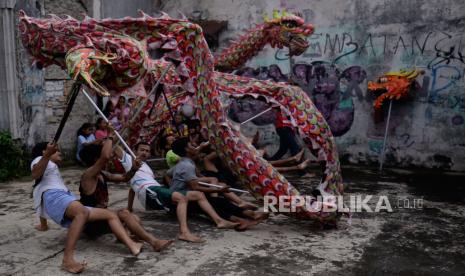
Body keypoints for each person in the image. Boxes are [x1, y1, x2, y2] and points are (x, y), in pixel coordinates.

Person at [31, 142, 144, 273]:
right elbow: (35, 174)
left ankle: (132, 243)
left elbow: (37, 190)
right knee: (82, 212)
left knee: (112, 214)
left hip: (62, 196)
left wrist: (43, 225)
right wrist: (46, 155)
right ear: (44, 152)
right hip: (56, 195)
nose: (59, 152)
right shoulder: (39, 160)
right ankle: (67, 260)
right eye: (55, 151)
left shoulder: (50, 169)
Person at [116, 142, 239, 242]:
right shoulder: (129, 160)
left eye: (147, 151)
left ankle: (219, 221)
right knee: (181, 198)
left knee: (198, 195)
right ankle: (184, 233)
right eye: (142, 150)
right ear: (134, 150)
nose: (145, 153)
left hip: (156, 190)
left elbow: (132, 188)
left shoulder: (146, 167)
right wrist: (112, 131)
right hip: (149, 190)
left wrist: (129, 207)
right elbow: (116, 146)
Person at [79, 136, 173, 251]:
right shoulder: (88, 175)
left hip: (102, 218)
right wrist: (109, 137)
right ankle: (154, 242)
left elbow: (124, 178)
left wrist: (134, 168)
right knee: (124, 213)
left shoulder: (102, 174)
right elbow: (105, 156)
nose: (110, 158)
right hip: (91, 222)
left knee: (134, 218)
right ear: (96, 159)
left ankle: (124, 236)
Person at [167, 138, 268, 230]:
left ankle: (248, 215)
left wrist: (171, 185)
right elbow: (195, 186)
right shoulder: (186, 165)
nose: (196, 147)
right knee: (214, 202)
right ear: (187, 150)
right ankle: (241, 219)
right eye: (192, 145)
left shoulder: (185, 162)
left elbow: (167, 174)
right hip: (181, 202)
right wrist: (218, 190)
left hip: (188, 196)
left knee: (218, 200)